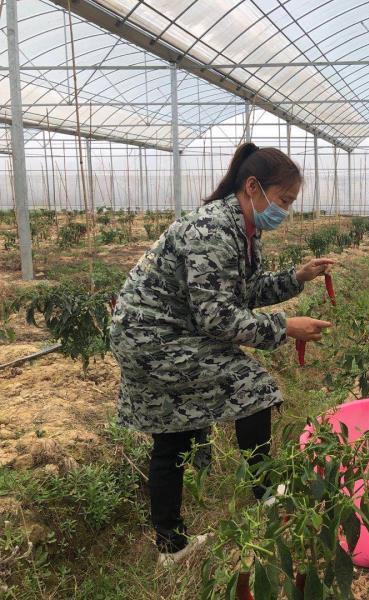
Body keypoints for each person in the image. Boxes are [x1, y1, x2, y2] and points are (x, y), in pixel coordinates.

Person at [109, 144, 332, 564]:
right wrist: (285, 327)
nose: (285, 211)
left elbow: (244, 291)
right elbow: (217, 318)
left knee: (171, 433)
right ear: (253, 187)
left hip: (165, 333)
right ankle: (267, 495)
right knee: (254, 387)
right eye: (284, 200)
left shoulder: (243, 228)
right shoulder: (212, 230)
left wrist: (297, 277)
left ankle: (171, 548)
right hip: (154, 338)